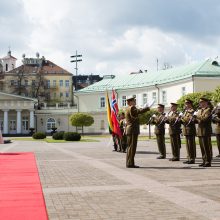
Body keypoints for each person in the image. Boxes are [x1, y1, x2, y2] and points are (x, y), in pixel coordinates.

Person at [125, 96, 150, 168]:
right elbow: (138, 111)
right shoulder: (132, 107)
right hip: (133, 130)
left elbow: (136, 113)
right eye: (133, 101)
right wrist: (147, 108)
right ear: (130, 102)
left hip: (130, 129)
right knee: (132, 147)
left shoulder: (127, 108)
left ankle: (129, 162)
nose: (135, 102)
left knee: (130, 147)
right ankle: (130, 163)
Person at [194, 97, 212, 167]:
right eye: (200, 102)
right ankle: (204, 160)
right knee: (202, 147)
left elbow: (204, 119)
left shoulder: (208, 110)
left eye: (202, 102)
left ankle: (208, 161)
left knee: (206, 147)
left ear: (206, 103)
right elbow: (198, 120)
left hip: (206, 131)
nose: (201, 103)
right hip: (200, 131)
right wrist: (195, 119)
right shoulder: (199, 110)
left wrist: (196, 117)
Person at [181, 99, 196, 164]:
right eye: (185, 104)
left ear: (190, 104)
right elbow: (184, 119)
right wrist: (182, 117)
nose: (185, 105)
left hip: (190, 130)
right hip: (186, 130)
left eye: (187, 104)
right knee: (187, 145)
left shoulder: (192, 111)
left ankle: (192, 158)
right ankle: (189, 157)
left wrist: (182, 117)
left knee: (191, 145)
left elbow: (188, 119)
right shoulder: (186, 111)